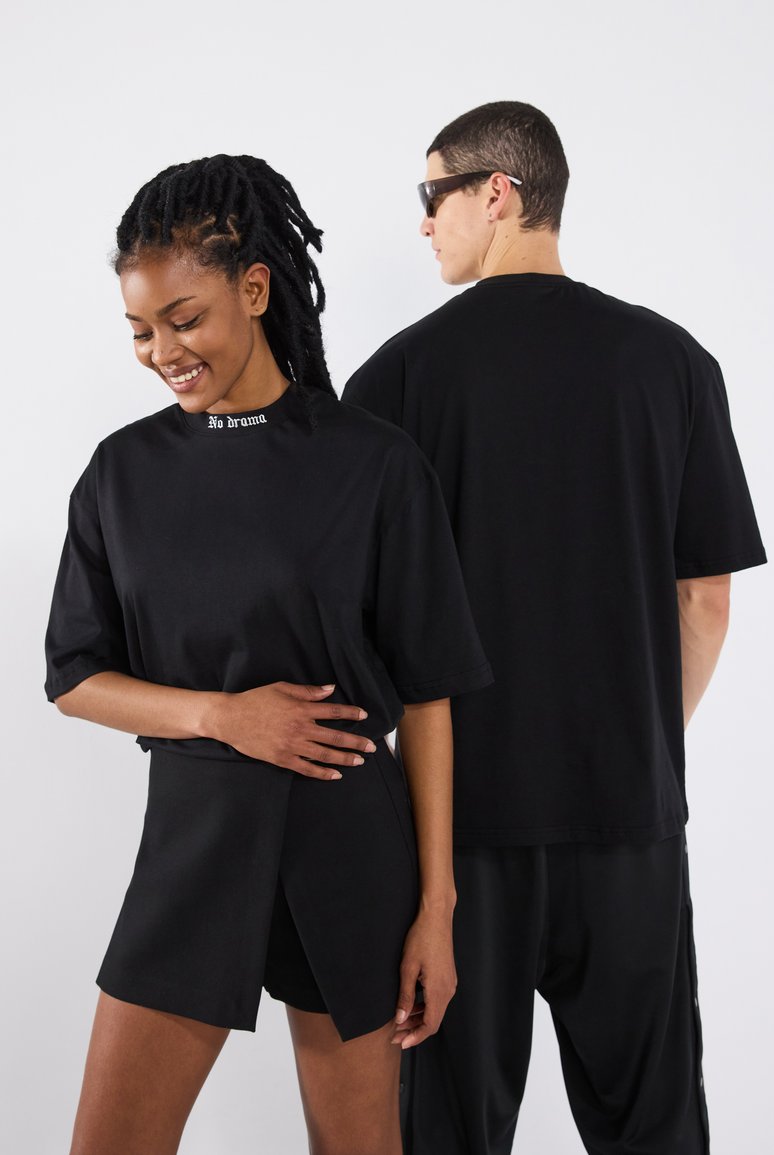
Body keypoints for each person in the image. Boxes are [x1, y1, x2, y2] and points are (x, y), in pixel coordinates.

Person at [43, 153, 493, 1155]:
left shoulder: (375, 464)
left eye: (185, 319)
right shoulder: (121, 475)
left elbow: (428, 698)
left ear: (254, 289)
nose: (163, 351)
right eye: (141, 330)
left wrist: (436, 909)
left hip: (351, 844)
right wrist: (222, 715)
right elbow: (73, 675)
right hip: (194, 840)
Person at [342, 101, 767, 1154]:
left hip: (458, 837)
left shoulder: (395, 381)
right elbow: (706, 600)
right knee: (653, 1130)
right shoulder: (674, 364)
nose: (423, 223)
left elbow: (362, 623)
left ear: (497, 193)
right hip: (627, 821)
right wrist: (636, 740)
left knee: (449, 1130)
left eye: (433, 195)